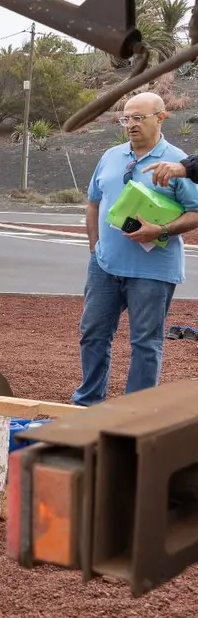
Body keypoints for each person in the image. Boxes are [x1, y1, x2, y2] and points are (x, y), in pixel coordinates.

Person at [71, 91, 198, 406]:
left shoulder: (178, 162)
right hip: (105, 265)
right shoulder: (111, 156)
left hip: (152, 271)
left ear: (161, 117)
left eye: (139, 118)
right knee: (93, 334)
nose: (131, 125)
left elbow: (195, 211)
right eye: (126, 118)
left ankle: (135, 411)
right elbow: (93, 202)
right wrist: (94, 247)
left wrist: (161, 230)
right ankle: (89, 403)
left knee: (145, 342)